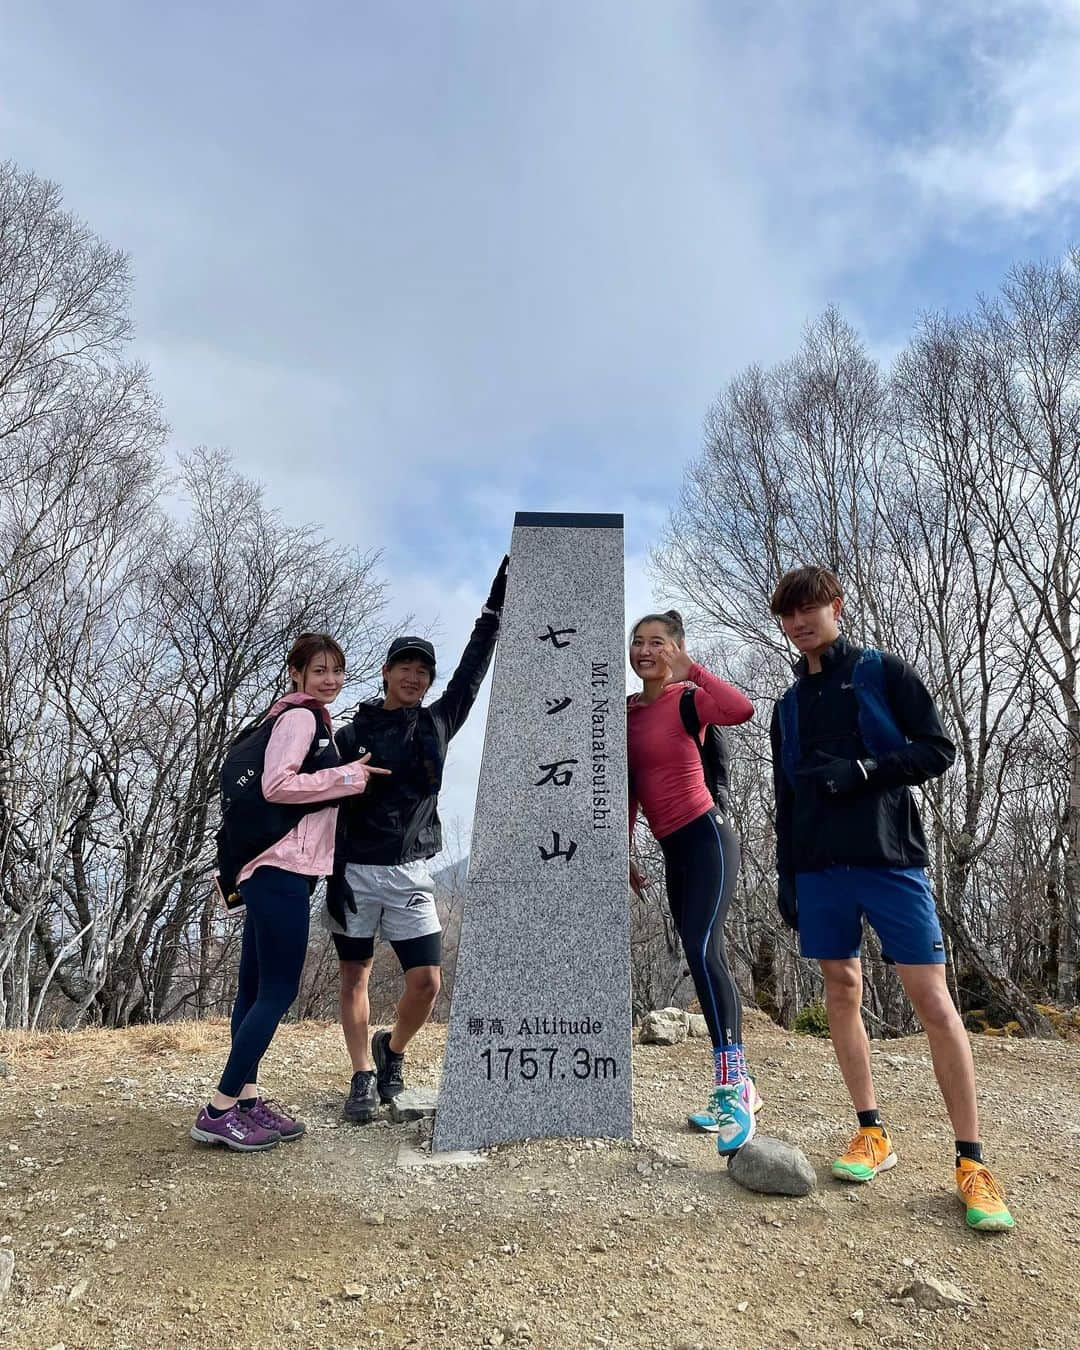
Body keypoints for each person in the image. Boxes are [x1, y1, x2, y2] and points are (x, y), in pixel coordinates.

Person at [769, 565, 1014, 1232]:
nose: (799, 623)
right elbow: (785, 800)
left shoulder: (883, 672)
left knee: (933, 1001)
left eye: (809, 609)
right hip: (819, 870)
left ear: (836, 607)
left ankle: (971, 1162)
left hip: (891, 861)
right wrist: (788, 876)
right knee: (840, 991)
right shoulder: (787, 707)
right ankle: (871, 1133)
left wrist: (866, 770)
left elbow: (938, 749)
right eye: (787, 616)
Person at [191, 633, 387, 1152]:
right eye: (319, 670)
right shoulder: (300, 718)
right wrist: (348, 776)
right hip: (281, 867)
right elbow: (278, 785)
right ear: (295, 673)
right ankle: (219, 1108)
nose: (331, 680)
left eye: (337, 671)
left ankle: (247, 1101)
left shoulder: (297, 716)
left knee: (254, 991)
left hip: (270, 869)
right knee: (278, 992)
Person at [329, 558, 507, 1121]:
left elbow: (474, 670)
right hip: (354, 869)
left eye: (422, 670)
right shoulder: (350, 734)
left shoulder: (437, 722)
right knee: (354, 974)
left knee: (426, 981)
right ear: (386, 673)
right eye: (404, 666)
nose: (414, 676)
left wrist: (495, 605)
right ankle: (361, 1075)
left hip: (410, 871)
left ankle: (392, 1053)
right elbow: (326, 807)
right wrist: (330, 875)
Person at [627, 610, 758, 1155]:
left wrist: (694, 670)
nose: (645, 651)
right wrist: (623, 850)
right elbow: (627, 785)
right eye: (637, 642)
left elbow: (741, 708)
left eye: (657, 642)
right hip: (669, 846)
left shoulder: (687, 699)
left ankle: (735, 1085)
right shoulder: (625, 712)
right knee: (699, 953)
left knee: (705, 951)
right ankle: (730, 1084)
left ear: (676, 648)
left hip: (707, 836)